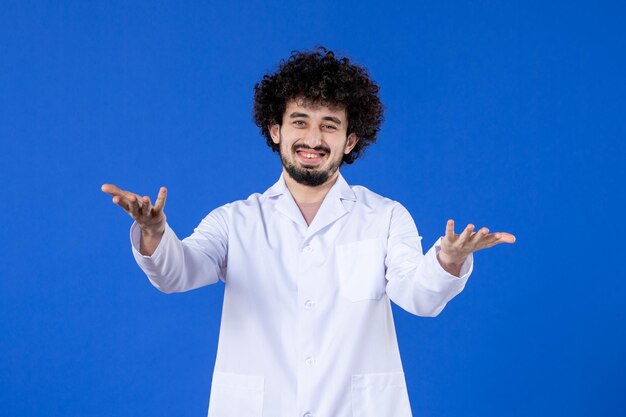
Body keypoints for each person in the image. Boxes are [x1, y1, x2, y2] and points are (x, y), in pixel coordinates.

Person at [102, 47, 515, 417]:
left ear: (351, 140)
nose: (313, 139)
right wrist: (155, 232)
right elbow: (178, 272)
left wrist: (449, 260)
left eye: (330, 126)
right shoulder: (235, 220)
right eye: (300, 121)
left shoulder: (385, 216)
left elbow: (419, 296)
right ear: (275, 130)